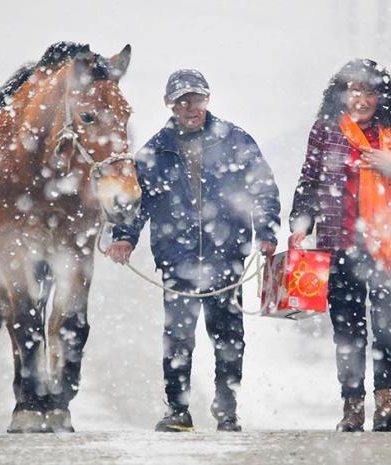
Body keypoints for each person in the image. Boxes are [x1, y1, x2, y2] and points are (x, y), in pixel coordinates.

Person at [106, 69, 280, 432]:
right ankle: (178, 410)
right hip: (177, 259)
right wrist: (124, 237)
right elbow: (137, 205)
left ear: (208, 99)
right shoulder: (153, 153)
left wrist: (266, 231)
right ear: (169, 104)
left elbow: (263, 189)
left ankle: (227, 410)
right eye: (182, 100)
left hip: (226, 256)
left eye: (196, 99)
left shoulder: (235, 140)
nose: (190, 107)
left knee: (228, 336)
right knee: (178, 338)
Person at [289, 59, 391, 432]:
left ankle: (386, 403)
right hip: (339, 246)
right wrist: (300, 224)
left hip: (390, 249)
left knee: (387, 329)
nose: (362, 99)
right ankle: (352, 406)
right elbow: (308, 180)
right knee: (348, 330)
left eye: (370, 91)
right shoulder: (326, 131)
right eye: (355, 90)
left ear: (382, 96)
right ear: (341, 93)